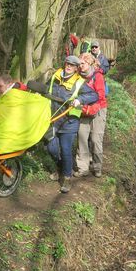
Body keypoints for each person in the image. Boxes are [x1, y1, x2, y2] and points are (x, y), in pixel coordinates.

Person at [47, 55, 99, 193]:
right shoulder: (55, 77)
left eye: (72, 65)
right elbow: (46, 90)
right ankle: (60, 168)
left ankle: (67, 178)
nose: (69, 66)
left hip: (69, 122)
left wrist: (80, 99)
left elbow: (94, 96)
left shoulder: (79, 82)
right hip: (52, 119)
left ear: (76, 68)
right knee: (51, 148)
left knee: (65, 150)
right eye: (67, 63)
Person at [74, 53, 107, 178]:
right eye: (79, 63)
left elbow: (101, 95)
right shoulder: (77, 76)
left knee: (95, 139)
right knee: (82, 138)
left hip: (98, 110)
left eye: (83, 63)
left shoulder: (97, 76)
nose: (80, 66)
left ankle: (97, 166)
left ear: (89, 64)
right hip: (83, 110)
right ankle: (83, 168)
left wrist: (92, 108)